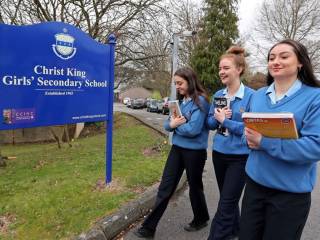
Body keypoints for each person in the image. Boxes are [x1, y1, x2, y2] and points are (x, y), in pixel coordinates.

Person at [239, 39, 320, 240]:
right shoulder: (257, 96)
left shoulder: (315, 97)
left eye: (284, 56)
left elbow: (315, 146)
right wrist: (247, 139)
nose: (276, 61)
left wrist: (264, 142)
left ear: (300, 63)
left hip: (289, 196)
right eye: (271, 57)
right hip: (254, 187)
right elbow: (247, 130)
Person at [135, 67, 210, 238]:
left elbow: (194, 129)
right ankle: (149, 228)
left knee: (195, 188)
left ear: (190, 81)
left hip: (195, 153)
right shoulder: (180, 102)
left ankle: (201, 217)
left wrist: (176, 125)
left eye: (180, 83)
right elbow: (167, 125)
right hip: (177, 149)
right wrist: (174, 124)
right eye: (176, 83)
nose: (177, 87)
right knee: (165, 187)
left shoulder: (201, 101)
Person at [206, 46, 255, 240]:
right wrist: (217, 118)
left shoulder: (252, 96)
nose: (221, 72)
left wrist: (225, 121)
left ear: (239, 69)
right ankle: (236, 231)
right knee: (229, 199)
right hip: (219, 154)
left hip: (240, 158)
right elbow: (209, 123)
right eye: (220, 68)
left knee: (226, 203)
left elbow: (249, 130)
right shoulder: (218, 95)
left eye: (225, 68)